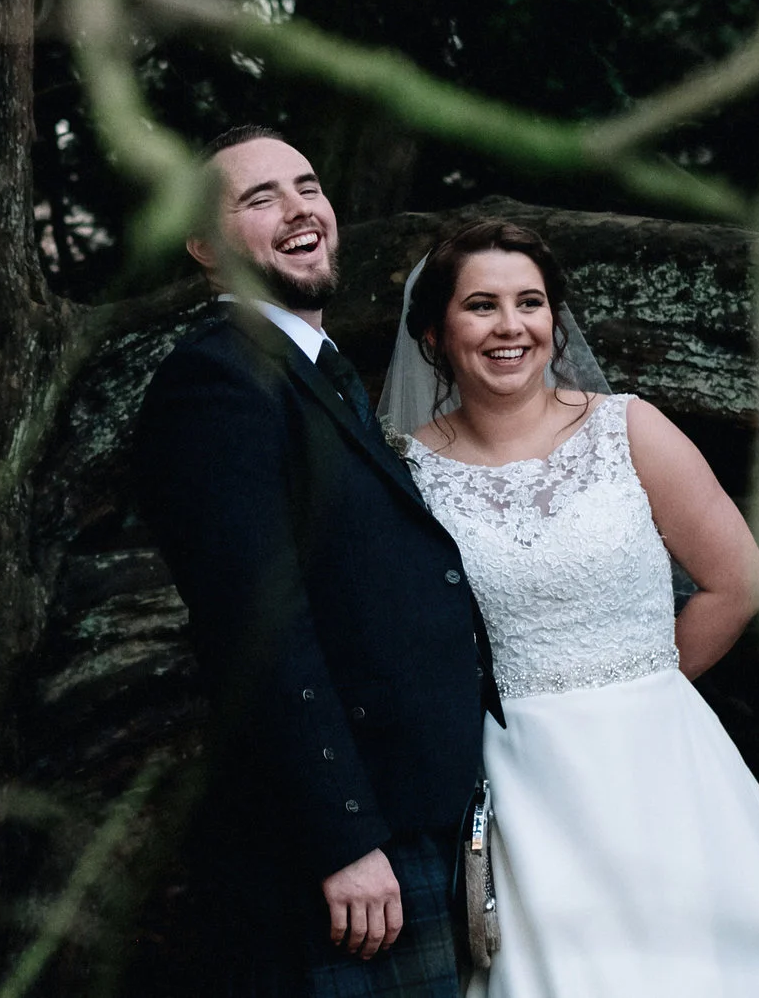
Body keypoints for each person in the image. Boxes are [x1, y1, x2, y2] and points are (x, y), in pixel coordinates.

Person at [381, 218, 759, 998]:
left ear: (555, 319)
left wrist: (643, 684)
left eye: (531, 302)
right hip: (518, 778)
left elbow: (738, 579)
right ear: (433, 332)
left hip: (661, 758)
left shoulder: (630, 427)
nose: (511, 325)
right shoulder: (405, 471)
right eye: (481, 305)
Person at [129, 127, 498, 997]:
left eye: (308, 184)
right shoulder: (217, 381)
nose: (300, 209)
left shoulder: (319, 372)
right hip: (351, 839)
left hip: (409, 815)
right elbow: (257, 625)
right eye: (259, 199)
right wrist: (345, 836)